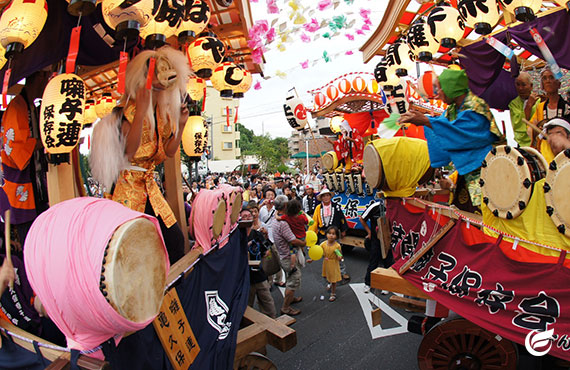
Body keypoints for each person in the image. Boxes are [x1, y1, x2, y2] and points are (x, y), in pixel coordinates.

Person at [90, 46, 190, 264]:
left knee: (174, 241)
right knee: (134, 250)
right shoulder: (130, 110)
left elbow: (167, 152)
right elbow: (129, 152)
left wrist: (181, 126)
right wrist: (141, 112)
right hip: (128, 189)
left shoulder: (161, 113)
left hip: (150, 187)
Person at [399, 68, 505, 211]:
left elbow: (460, 134)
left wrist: (426, 121)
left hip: (489, 168)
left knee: (491, 212)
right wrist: (433, 166)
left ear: (451, 87)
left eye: (440, 88)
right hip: (469, 173)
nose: (438, 93)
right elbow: (441, 131)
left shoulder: (475, 106)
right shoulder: (453, 110)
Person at [0, 70, 51, 247]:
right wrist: (47, 141)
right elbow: (15, 147)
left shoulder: (30, 106)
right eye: (48, 76)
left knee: (41, 238)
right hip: (21, 187)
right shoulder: (17, 107)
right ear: (40, 77)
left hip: (36, 184)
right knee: (30, 243)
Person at [272, 195, 306, 316]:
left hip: (282, 253)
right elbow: (293, 240)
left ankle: (291, 298)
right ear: (285, 206)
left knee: (290, 276)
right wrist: (303, 243)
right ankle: (285, 307)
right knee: (293, 279)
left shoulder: (278, 218)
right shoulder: (283, 223)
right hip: (287, 255)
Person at [241, 208, 277, 318]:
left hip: (259, 274)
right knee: (246, 307)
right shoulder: (236, 237)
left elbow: (266, 250)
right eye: (244, 216)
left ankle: (272, 324)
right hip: (244, 277)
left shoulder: (257, 234)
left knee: (267, 302)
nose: (247, 218)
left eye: (249, 216)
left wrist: (265, 239)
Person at [309, 188, 350, 281]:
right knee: (326, 255)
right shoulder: (318, 208)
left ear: (330, 197)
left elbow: (342, 218)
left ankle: (342, 271)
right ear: (321, 198)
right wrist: (312, 234)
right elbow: (315, 222)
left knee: (338, 253)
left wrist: (343, 229)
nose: (326, 197)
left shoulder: (336, 206)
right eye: (324, 196)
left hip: (334, 234)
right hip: (323, 234)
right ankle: (328, 272)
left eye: (328, 195)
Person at [530, 68, 570, 162]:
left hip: (562, 153)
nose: (548, 81)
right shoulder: (539, 107)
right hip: (544, 153)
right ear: (542, 85)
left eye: (551, 77)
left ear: (559, 84)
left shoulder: (567, 107)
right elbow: (531, 129)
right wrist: (536, 130)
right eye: (544, 78)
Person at [359, 199, 393, 294]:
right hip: (375, 240)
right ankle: (368, 283)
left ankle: (386, 286)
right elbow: (362, 218)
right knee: (373, 261)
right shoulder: (375, 206)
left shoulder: (395, 206)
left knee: (388, 263)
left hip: (389, 240)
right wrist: (369, 232)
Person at [508, 72, 539, 147]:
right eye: (517, 84)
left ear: (531, 86)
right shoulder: (513, 104)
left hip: (537, 144)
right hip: (522, 144)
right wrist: (528, 106)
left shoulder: (539, 101)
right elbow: (519, 125)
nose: (520, 88)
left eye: (523, 85)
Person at [319, 226, 342, 302]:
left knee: (334, 279)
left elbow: (340, 255)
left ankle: (333, 293)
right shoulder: (323, 244)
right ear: (326, 234)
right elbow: (318, 252)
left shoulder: (337, 246)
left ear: (336, 236)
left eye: (333, 234)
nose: (331, 235)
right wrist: (311, 259)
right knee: (327, 275)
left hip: (333, 263)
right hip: (326, 262)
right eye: (329, 233)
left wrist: (339, 257)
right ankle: (329, 284)